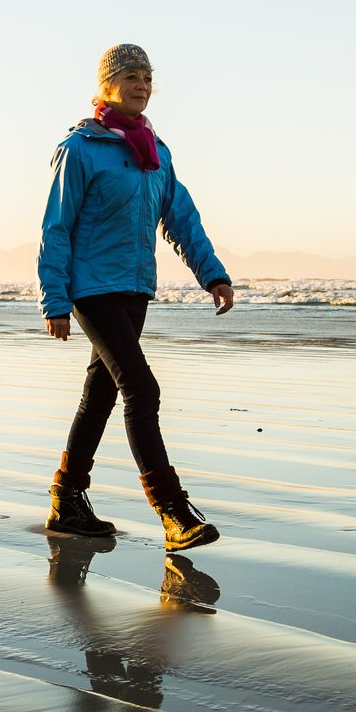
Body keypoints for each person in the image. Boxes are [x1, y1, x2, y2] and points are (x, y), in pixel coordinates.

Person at [36, 43, 232, 551]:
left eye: (147, 77)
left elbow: (182, 218)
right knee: (141, 390)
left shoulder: (156, 151)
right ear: (105, 85)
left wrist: (212, 274)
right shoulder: (81, 148)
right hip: (91, 289)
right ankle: (172, 512)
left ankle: (67, 501)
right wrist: (55, 299)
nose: (142, 85)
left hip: (134, 288)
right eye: (130, 76)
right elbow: (55, 227)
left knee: (101, 394)